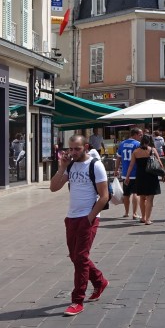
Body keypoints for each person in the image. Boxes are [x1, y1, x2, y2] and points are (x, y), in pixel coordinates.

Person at [50, 134, 110, 317]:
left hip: (87, 217)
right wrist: (61, 168)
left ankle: (77, 300)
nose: (73, 152)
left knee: (81, 257)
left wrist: (90, 218)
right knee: (75, 257)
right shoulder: (71, 165)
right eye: (70, 149)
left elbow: (104, 196)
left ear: (85, 147)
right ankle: (100, 282)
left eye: (77, 149)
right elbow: (53, 187)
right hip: (71, 217)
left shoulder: (95, 165)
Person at [131, 138, 163, 224]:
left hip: (140, 176)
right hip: (151, 175)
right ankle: (148, 219)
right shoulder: (152, 150)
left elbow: (131, 165)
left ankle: (143, 217)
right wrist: (163, 175)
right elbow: (160, 163)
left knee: (142, 197)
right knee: (150, 198)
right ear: (149, 141)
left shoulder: (135, 151)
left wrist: (127, 177)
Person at [117, 128, 142, 219]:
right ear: (134, 134)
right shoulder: (137, 144)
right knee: (136, 193)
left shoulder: (122, 143)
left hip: (124, 172)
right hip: (135, 172)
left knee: (126, 194)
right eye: (140, 135)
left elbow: (118, 158)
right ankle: (134, 213)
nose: (141, 136)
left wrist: (116, 170)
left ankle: (126, 212)